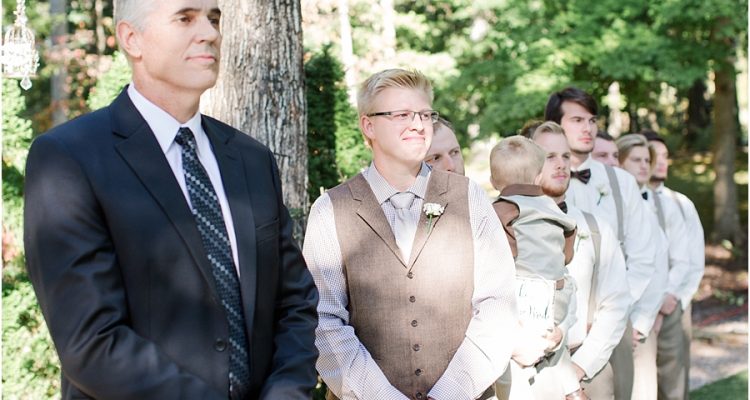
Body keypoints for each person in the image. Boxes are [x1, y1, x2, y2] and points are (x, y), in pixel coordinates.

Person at [23, 1, 319, 398]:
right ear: (132, 39)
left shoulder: (251, 159)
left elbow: (294, 302)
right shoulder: (69, 157)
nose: (210, 33)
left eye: (214, 19)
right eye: (185, 18)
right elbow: (91, 341)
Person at [304, 68, 526, 400]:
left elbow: (497, 304)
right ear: (368, 126)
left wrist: (450, 393)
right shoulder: (330, 210)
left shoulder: (469, 197)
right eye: (402, 115)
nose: (419, 125)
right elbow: (324, 320)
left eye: (424, 114)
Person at [545, 87, 657, 400]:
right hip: (552, 332)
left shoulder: (622, 182)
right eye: (577, 120)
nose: (588, 128)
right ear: (555, 126)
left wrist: (610, 313)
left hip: (612, 325)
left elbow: (643, 255)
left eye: (592, 120)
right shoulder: (538, 183)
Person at [529, 122, 631, 400]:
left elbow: (616, 302)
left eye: (565, 156)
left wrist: (580, 365)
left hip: (587, 369)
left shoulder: (596, 228)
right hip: (528, 375)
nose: (561, 164)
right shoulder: (508, 226)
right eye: (549, 156)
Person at [489, 135, 581, 400]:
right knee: (549, 342)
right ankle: (568, 385)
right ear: (539, 176)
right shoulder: (553, 208)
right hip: (557, 294)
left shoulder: (501, 210)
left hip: (525, 297)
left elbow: (498, 257)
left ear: (494, 181)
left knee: (509, 366)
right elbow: (567, 250)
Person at [616, 134, 690, 400]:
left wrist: (652, 312)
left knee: (657, 387)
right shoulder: (609, 204)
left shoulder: (665, 205)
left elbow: (664, 263)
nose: (644, 166)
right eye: (636, 160)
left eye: (647, 160)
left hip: (651, 309)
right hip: (616, 314)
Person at [643, 130, 705, 400]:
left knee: (674, 385)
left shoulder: (682, 204)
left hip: (674, 304)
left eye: (665, 155)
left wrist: (676, 299)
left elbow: (695, 258)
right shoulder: (627, 201)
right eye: (653, 155)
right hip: (638, 304)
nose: (661, 161)